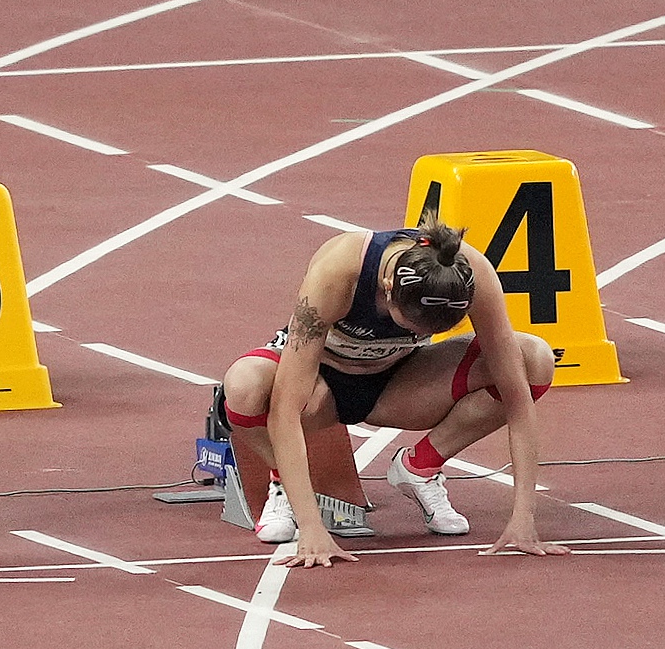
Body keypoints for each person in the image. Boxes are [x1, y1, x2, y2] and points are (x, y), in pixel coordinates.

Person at [220, 214, 572, 567]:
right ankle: (283, 482)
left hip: (397, 383)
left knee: (534, 361)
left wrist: (524, 518)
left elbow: (516, 398)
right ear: (388, 286)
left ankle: (420, 467)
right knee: (244, 385)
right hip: (320, 387)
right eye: (411, 324)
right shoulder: (338, 270)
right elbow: (286, 408)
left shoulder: (471, 274)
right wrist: (312, 527)